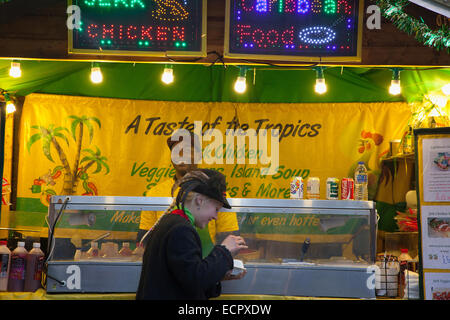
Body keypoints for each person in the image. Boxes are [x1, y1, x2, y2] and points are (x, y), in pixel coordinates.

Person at [136, 169, 247, 300]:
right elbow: (196, 279)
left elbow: (186, 280)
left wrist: (219, 276)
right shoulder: (181, 230)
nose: (216, 216)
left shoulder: (172, 223)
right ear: (199, 200)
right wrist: (224, 251)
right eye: (216, 209)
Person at [138, 131, 240, 257]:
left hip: (206, 262)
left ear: (198, 155)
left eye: (186, 150)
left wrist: (215, 266)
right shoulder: (154, 193)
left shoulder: (216, 193)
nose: (180, 155)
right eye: (176, 151)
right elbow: (145, 238)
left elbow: (228, 237)